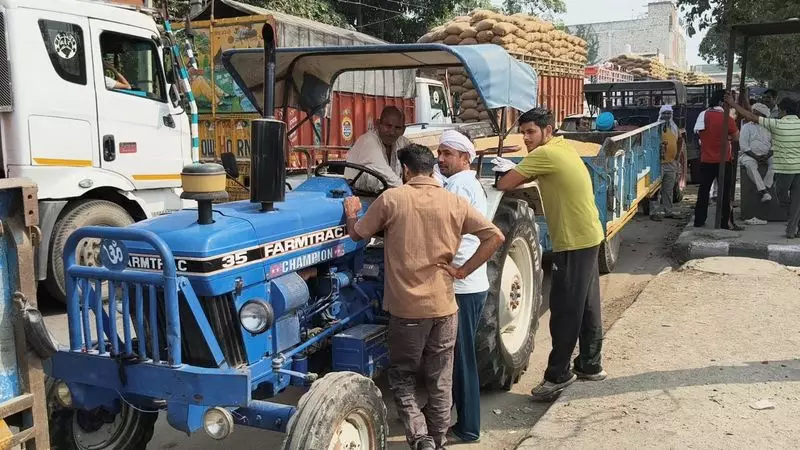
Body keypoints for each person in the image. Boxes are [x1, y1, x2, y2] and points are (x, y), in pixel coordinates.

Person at [343, 144, 505, 450]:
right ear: (432, 168)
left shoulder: (392, 199)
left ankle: (420, 437)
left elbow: (357, 235)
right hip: (445, 307)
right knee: (440, 379)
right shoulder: (454, 202)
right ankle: (438, 440)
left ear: (405, 170)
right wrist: (462, 270)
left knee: (403, 376)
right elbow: (495, 236)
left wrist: (352, 214)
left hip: (407, 311)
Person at [493, 108, 606, 402]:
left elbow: (505, 184)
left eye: (531, 132)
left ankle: (558, 375)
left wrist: (505, 171)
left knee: (565, 310)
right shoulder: (561, 147)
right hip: (589, 235)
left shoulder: (545, 155)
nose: (526, 138)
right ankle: (590, 364)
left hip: (572, 241)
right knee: (588, 305)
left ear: (547, 129)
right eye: (523, 133)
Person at [435, 130, 488, 443]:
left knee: (461, 359)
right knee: (457, 356)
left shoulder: (457, 184)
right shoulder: (467, 183)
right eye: (439, 153)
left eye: (447, 154)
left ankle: (468, 427)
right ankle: (449, 412)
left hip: (463, 286)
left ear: (465, 158)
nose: (441, 158)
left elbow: (444, 232)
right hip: (470, 284)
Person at [726, 94, 800, 238]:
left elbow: (751, 116)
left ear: (783, 111)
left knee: (781, 197)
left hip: (784, 169)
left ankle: (792, 225)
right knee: (797, 200)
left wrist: (733, 104)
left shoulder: (777, 124)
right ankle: (793, 228)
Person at [692, 90, 740, 229]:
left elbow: (698, 135)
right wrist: (727, 138)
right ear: (721, 102)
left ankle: (699, 221)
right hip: (724, 161)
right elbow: (736, 137)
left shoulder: (703, 115)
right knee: (725, 193)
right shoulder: (726, 118)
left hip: (706, 160)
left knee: (703, 191)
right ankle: (726, 222)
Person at [345, 106, 411, 193]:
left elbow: (418, 159)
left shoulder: (402, 142)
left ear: (403, 130)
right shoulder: (369, 140)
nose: (392, 132)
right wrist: (410, 192)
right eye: (388, 126)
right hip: (357, 194)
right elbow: (387, 176)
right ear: (378, 124)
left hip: (381, 195)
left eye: (397, 128)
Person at [738, 102, 774, 208]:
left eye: (756, 114)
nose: (752, 116)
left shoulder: (770, 127)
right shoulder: (746, 127)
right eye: (752, 113)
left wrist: (767, 155)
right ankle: (764, 192)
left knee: (776, 164)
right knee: (750, 166)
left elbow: (775, 144)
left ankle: (765, 188)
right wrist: (755, 156)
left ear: (762, 116)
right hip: (750, 155)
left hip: (767, 155)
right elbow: (744, 146)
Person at [652, 105, 683, 220]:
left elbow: (679, 140)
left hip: (671, 162)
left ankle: (668, 211)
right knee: (655, 189)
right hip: (658, 163)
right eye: (664, 113)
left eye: (669, 113)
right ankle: (654, 212)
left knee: (668, 188)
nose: (667, 115)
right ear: (660, 114)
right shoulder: (655, 128)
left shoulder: (674, 127)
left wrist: (677, 156)